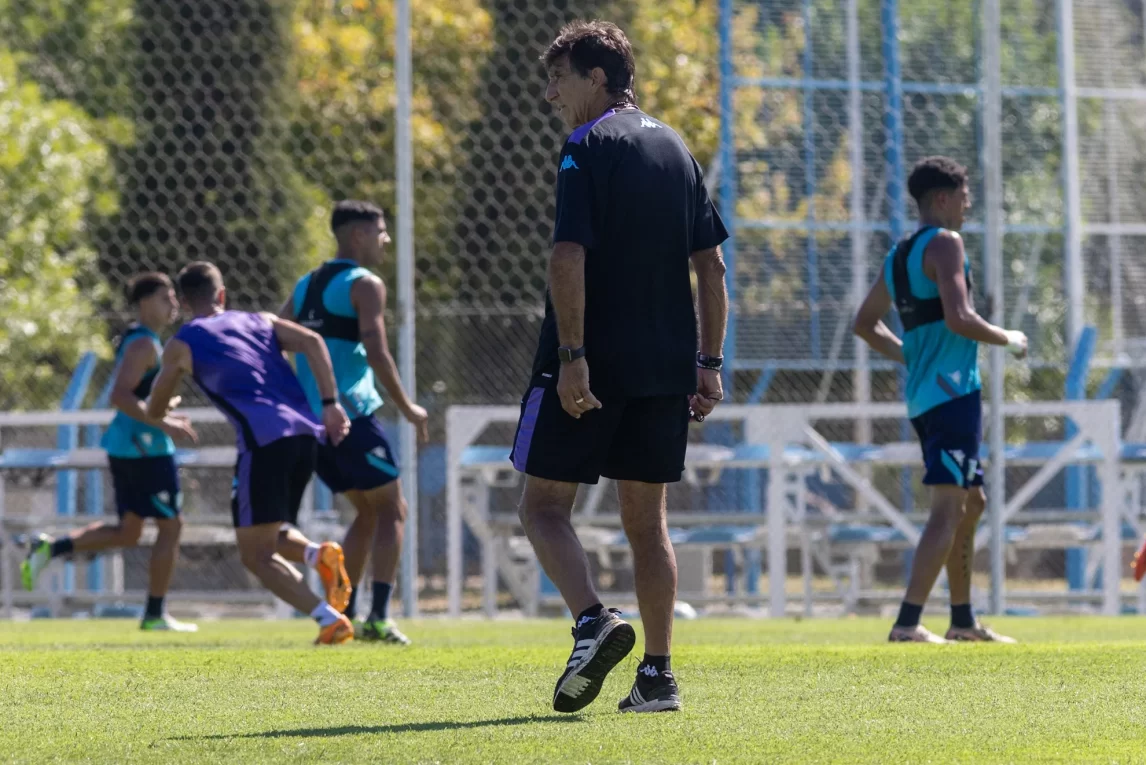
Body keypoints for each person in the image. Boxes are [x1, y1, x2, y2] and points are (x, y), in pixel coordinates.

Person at [511, 20, 729, 713]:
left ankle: (591, 620)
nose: (551, 95)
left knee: (543, 505)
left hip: (594, 363)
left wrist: (573, 357)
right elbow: (712, 265)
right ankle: (658, 676)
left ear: (597, 78)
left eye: (560, 78)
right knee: (647, 522)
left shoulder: (587, 144)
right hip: (666, 368)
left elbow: (566, 254)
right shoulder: (676, 147)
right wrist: (709, 363)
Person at [853, 156, 1028, 643]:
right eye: (965, 197)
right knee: (948, 508)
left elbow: (864, 323)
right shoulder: (947, 243)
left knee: (973, 501)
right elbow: (960, 317)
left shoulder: (900, 254)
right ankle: (908, 622)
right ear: (944, 199)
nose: (969, 206)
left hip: (926, 396)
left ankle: (963, 620)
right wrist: (1009, 338)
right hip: (953, 394)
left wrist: (911, 355)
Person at [146, 262, 356, 645]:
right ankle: (317, 555)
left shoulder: (182, 343)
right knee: (266, 531)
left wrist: (164, 412)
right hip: (305, 435)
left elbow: (154, 406)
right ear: (222, 295)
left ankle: (329, 620)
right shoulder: (261, 320)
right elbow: (313, 341)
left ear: (185, 302)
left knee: (254, 555)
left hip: (264, 443)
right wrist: (330, 404)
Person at [281, 200, 428, 645]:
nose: (386, 240)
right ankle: (379, 618)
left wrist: (296, 398)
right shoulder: (365, 284)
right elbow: (377, 351)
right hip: (352, 416)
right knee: (392, 509)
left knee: (366, 512)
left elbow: (274, 338)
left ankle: (344, 613)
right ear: (358, 235)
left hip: (314, 422)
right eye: (380, 231)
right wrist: (408, 407)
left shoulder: (305, 285)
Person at [21, 273, 199, 631]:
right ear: (145, 302)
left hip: (130, 445)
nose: (174, 305)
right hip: (143, 449)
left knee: (129, 531)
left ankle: (51, 549)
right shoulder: (143, 344)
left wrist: (164, 410)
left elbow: (138, 396)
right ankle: (154, 614)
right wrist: (163, 423)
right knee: (171, 527)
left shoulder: (143, 340)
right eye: (165, 297)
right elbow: (120, 396)